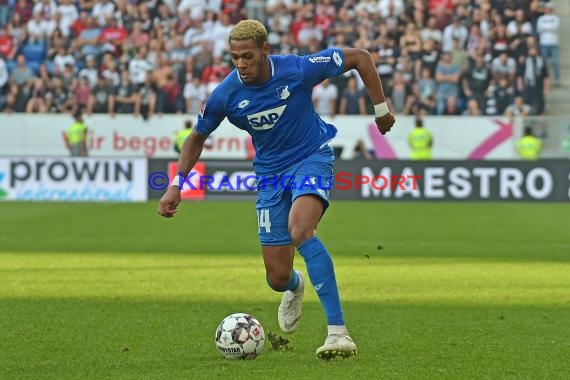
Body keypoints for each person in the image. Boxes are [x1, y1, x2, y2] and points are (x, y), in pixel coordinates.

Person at [157, 19, 395, 359]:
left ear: (265, 51)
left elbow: (360, 57)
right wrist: (176, 184)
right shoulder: (226, 94)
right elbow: (196, 138)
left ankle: (338, 333)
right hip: (269, 174)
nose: (241, 64)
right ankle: (295, 286)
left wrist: (381, 109)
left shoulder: (297, 69)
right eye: (234, 57)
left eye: (248, 56)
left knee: (302, 230)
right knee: (277, 276)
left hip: (311, 156)